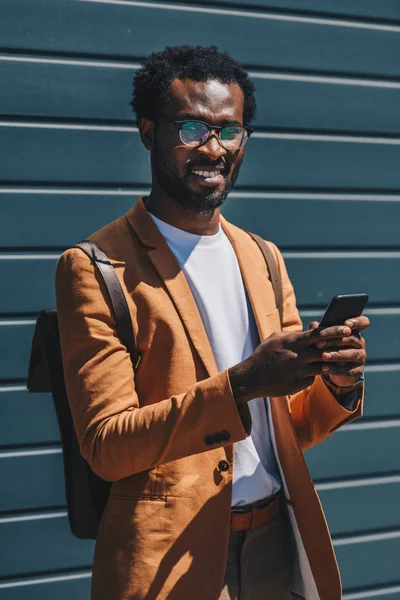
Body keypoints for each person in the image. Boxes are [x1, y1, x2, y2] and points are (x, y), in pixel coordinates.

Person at [55, 45, 369, 600]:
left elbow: (287, 427)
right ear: (149, 132)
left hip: (275, 542)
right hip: (169, 561)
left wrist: (334, 384)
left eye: (229, 131)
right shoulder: (96, 268)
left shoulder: (263, 257)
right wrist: (243, 382)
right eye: (192, 128)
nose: (213, 147)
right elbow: (107, 446)